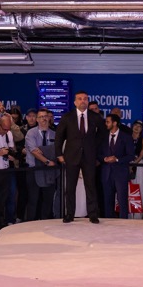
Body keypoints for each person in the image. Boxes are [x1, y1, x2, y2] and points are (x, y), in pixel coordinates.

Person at [54, 91, 106, 223]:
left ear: (87, 101)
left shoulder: (95, 117)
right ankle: (69, 214)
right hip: (71, 156)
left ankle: (93, 214)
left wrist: (94, 145)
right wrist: (59, 154)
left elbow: (103, 133)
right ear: (75, 102)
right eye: (80, 99)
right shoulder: (67, 117)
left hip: (89, 156)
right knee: (70, 187)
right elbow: (59, 136)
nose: (83, 101)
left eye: (85, 99)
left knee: (91, 186)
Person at [24, 108, 59, 220]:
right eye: (41, 117)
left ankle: (45, 222)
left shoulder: (54, 134)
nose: (44, 119)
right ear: (37, 119)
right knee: (33, 199)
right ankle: (30, 223)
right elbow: (34, 151)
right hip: (34, 169)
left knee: (48, 199)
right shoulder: (31, 133)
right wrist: (47, 160)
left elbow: (56, 151)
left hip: (49, 171)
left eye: (46, 116)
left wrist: (42, 151)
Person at [99, 113, 135, 219]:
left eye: (108, 122)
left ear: (114, 123)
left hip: (121, 173)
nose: (106, 124)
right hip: (106, 173)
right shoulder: (103, 137)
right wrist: (104, 159)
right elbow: (98, 153)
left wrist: (117, 159)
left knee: (122, 200)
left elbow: (131, 155)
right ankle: (108, 222)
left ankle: (123, 222)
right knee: (107, 200)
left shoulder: (126, 137)